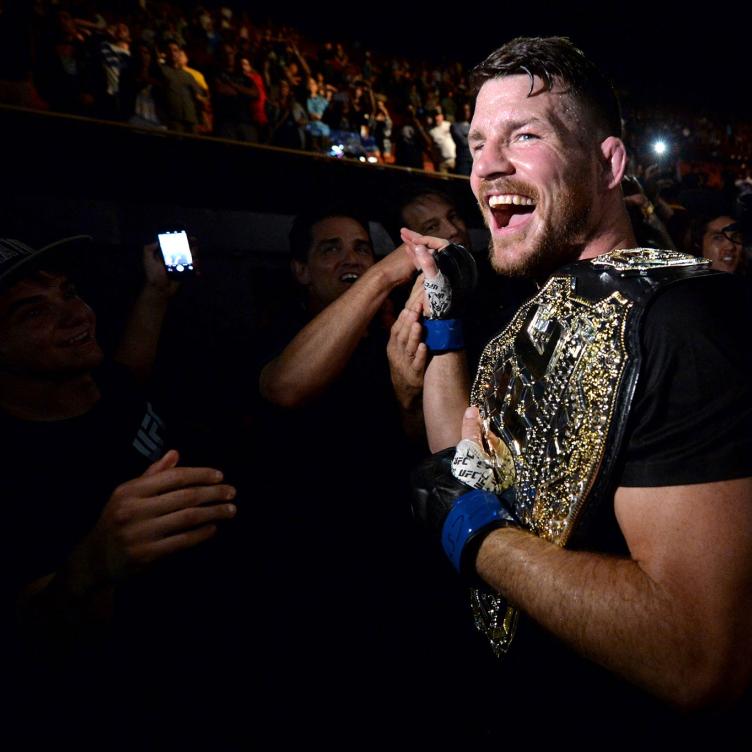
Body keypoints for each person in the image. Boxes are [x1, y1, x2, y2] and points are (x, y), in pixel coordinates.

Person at [402, 36, 752, 740]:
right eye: (476, 144)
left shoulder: (678, 324)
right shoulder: (530, 307)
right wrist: (441, 316)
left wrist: (477, 536)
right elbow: (457, 466)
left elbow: (698, 658)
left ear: (609, 164)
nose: (487, 165)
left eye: (523, 135)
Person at [0, 235, 238, 747]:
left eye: (68, 292)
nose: (74, 314)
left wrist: (157, 291)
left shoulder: (102, 382)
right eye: (32, 311)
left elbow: (130, 372)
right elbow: (25, 636)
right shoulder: (17, 464)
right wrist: (93, 564)